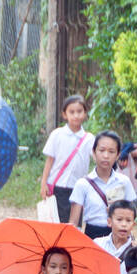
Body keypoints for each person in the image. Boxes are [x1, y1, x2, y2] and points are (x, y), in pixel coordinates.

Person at [69, 131, 136, 237]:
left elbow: (131, 213)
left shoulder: (124, 181)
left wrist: (117, 210)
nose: (106, 156)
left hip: (118, 236)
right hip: (92, 236)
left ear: (118, 155)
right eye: (102, 150)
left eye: (111, 151)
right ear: (94, 153)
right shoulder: (82, 184)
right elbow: (73, 222)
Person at [40, 95, 93, 223]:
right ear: (64, 114)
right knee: (57, 223)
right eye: (72, 112)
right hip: (58, 186)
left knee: (75, 225)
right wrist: (44, 183)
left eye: (79, 111)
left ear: (85, 113)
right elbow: (50, 160)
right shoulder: (57, 134)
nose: (76, 115)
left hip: (78, 187)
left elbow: (97, 157)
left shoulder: (89, 139)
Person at [95, 201, 137, 269]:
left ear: (133, 225)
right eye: (119, 219)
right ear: (109, 222)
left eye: (128, 220)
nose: (124, 224)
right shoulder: (98, 244)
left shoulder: (136, 251)